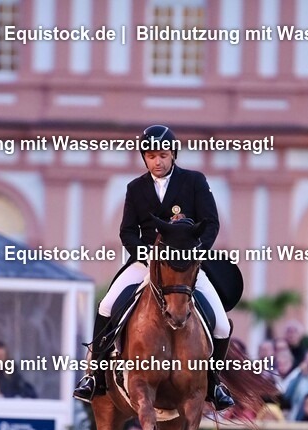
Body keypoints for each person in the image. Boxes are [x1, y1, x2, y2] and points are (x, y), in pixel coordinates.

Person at [74, 124, 234, 410]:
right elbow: (127, 231)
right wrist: (145, 255)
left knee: (221, 324)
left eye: (162, 155)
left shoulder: (194, 181)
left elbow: (211, 223)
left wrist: (196, 252)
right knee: (106, 306)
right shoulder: (136, 188)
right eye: (150, 156)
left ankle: (214, 383)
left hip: (186, 266)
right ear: (144, 158)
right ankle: (95, 375)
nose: (156, 161)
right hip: (147, 262)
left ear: (173, 154)